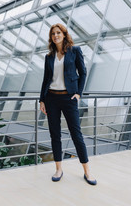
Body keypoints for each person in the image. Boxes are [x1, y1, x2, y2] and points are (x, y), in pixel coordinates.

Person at [39, 23, 97, 185]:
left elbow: (83, 72)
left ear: (64, 34)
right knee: (54, 135)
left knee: (76, 135)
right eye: (53, 34)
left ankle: (87, 171)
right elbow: (45, 79)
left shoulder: (74, 51)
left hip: (69, 98)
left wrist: (79, 93)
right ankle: (58, 169)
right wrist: (41, 100)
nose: (56, 35)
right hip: (51, 98)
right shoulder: (49, 56)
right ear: (51, 37)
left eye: (58, 33)